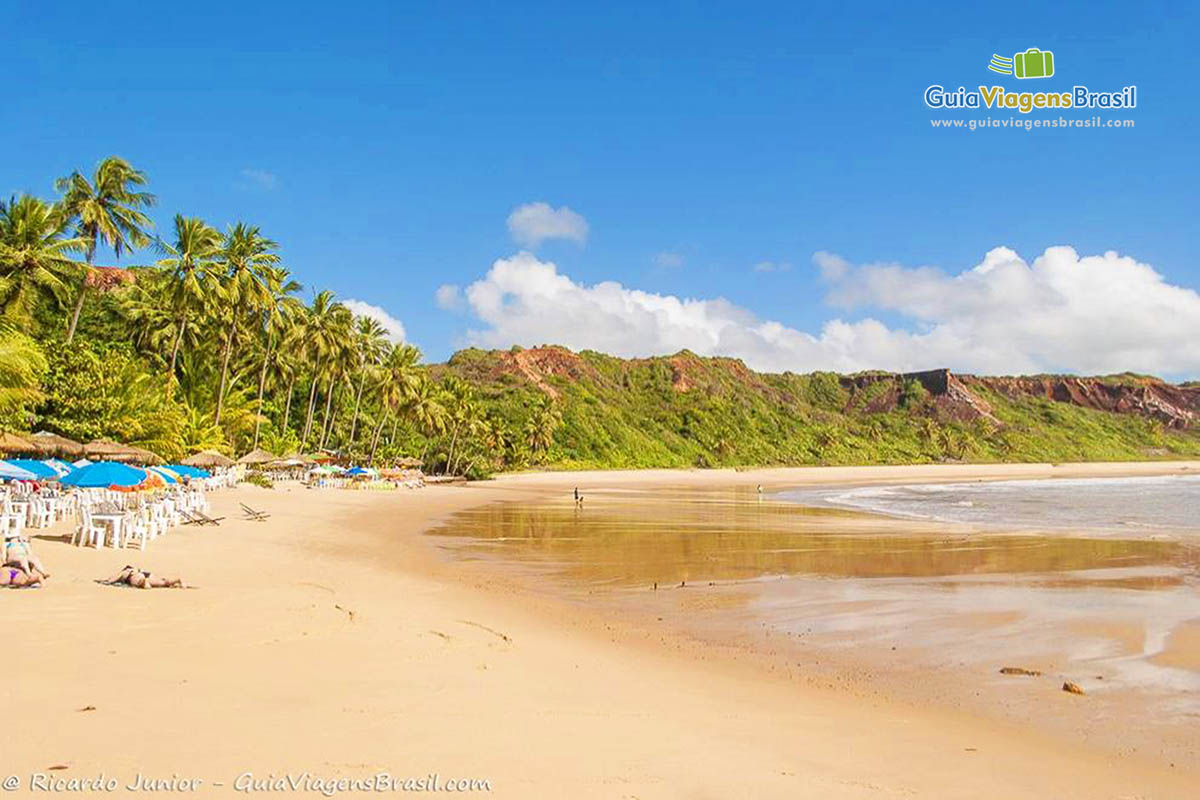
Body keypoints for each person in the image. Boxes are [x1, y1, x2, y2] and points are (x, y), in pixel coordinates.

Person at [100, 565, 186, 590]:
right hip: (144, 572)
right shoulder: (133, 570)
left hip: (136, 576)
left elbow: (111, 579)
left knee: (144, 584)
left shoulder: (126, 572)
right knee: (162, 582)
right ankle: (177, 580)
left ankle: (144, 582)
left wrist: (107, 581)